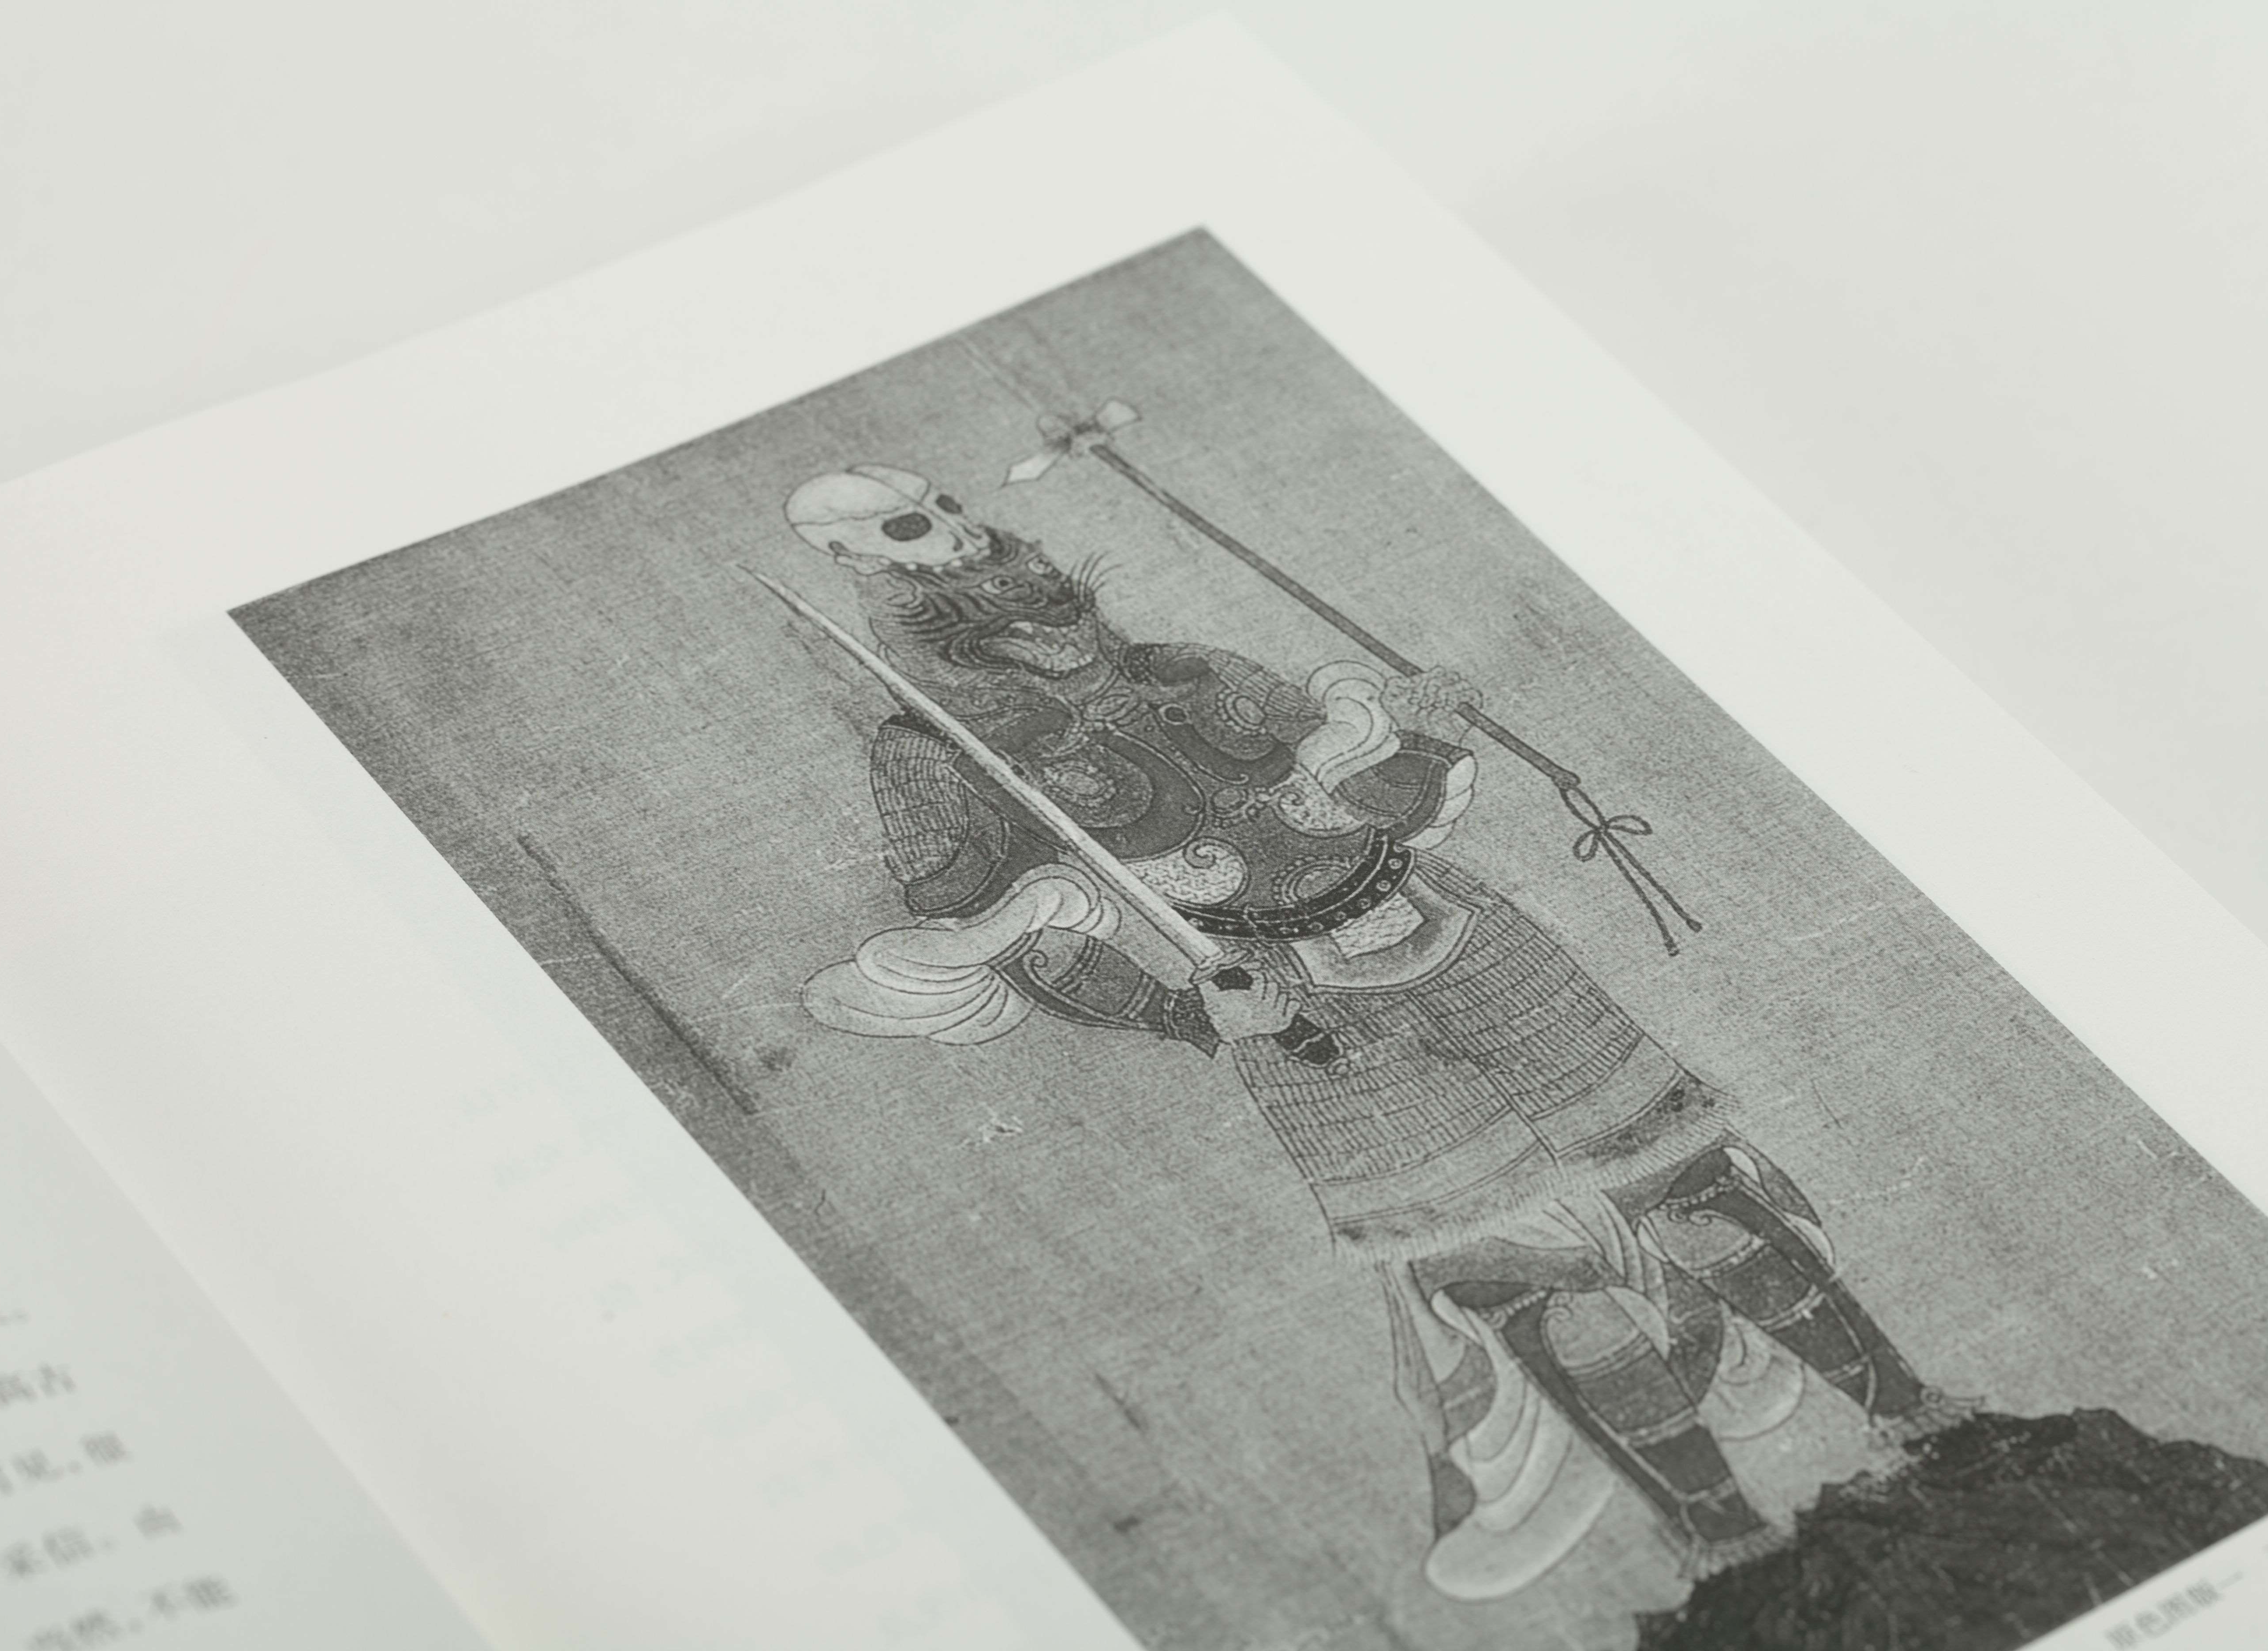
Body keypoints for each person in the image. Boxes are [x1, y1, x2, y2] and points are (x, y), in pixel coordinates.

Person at [786, 463, 1958, 1594]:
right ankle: (1730, 1549)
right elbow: (1005, 932)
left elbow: (1375, 791)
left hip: (1456, 930)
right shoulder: (931, 752)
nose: (963, 533)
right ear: (868, 572)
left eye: (950, 505)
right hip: (1299, 1013)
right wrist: (1185, 1009)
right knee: (1514, 1268)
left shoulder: (1195, 670)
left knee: (1686, 1185)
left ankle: (1929, 1429)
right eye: (913, 528)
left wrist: (1413, 736)